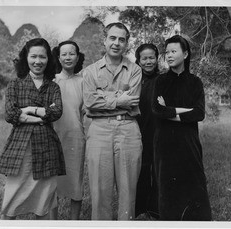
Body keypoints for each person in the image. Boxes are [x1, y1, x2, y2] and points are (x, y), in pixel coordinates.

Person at [0, 38, 65, 220]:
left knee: (44, 203)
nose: (37, 61)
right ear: (25, 58)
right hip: (21, 147)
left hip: (47, 148)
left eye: (42, 57)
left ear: (48, 60)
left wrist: (27, 110)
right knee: (12, 200)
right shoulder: (15, 84)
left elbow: (56, 111)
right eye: (33, 56)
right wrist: (40, 117)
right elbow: (10, 115)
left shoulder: (53, 87)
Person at [83, 22, 143, 220]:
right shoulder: (90, 71)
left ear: (126, 43)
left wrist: (104, 97)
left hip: (128, 129)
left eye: (122, 39)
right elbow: (90, 102)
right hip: (99, 130)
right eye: (112, 38)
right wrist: (119, 98)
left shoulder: (135, 70)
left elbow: (132, 101)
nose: (116, 43)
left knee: (128, 190)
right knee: (100, 189)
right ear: (105, 40)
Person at [151, 35, 212, 220]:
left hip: (188, 141)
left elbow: (199, 114)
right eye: (166, 52)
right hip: (164, 142)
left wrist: (169, 111)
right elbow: (157, 110)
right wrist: (185, 111)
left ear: (185, 54)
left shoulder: (195, 82)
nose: (168, 56)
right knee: (168, 187)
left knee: (193, 185)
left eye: (173, 51)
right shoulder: (160, 81)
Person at [51, 40, 86, 220]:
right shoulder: (52, 81)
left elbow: (86, 111)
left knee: (75, 180)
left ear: (78, 57)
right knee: (52, 183)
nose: (68, 57)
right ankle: (53, 222)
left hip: (76, 137)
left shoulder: (83, 81)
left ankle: (74, 221)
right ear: (58, 57)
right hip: (53, 137)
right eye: (64, 54)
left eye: (72, 53)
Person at [134, 44, 160, 219]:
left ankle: (156, 209)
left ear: (157, 59)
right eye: (145, 58)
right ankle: (140, 210)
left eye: (152, 57)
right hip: (139, 132)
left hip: (160, 133)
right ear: (138, 60)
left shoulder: (164, 79)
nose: (148, 61)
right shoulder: (134, 80)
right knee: (141, 171)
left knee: (158, 171)